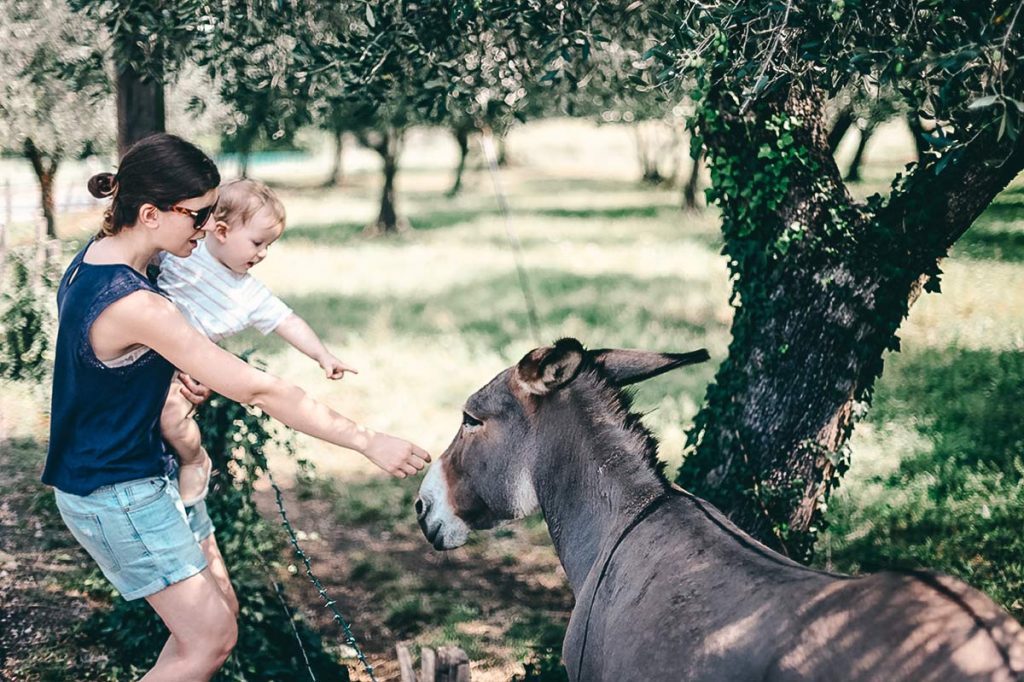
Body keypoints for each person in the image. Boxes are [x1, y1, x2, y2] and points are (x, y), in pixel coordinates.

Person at [42, 133, 430, 682]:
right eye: (198, 216)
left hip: (140, 472)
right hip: (114, 488)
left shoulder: (97, 261)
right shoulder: (139, 302)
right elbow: (258, 389)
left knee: (221, 618)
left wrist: (165, 370)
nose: (206, 230)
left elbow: (110, 366)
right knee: (209, 641)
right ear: (151, 213)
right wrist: (366, 440)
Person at [156, 178, 358, 505]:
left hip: (184, 370)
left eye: (268, 246)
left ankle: (194, 460)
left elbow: (287, 321)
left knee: (171, 418)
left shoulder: (248, 294)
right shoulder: (185, 250)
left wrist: (322, 354)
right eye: (257, 243)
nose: (263, 254)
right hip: (148, 345)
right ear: (220, 231)